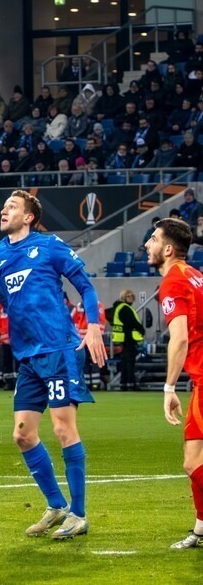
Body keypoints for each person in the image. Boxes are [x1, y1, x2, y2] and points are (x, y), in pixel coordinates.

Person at [0, 190, 107, 539]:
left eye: (12, 207)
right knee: (23, 435)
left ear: (28, 217)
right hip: (27, 358)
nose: (4, 211)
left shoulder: (50, 246)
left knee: (62, 429)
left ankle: (80, 514)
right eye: (4, 207)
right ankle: (56, 505)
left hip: (59, 349)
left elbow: (84, 286)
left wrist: (95, 326)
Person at [144, 217, 203, 549]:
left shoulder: (173, 281)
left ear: (168, 249)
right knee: (192, 461)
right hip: (199, 380)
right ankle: (200, 529)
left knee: (194, 462)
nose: (147, 245)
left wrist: (168, 388)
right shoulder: (195, 275)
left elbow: (179, 339)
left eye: (153, 239)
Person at [109, 288, 144, 391]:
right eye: (128, 296)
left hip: (123, 338)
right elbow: (132, 323)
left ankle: (124, 383)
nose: (131, 298)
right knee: (129, 362)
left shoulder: (118, 307)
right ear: (123, 297)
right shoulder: (125, 308)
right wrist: (141, 330)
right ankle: (130, 384)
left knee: (125, 362)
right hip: (128, 338)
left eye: (132, 296)